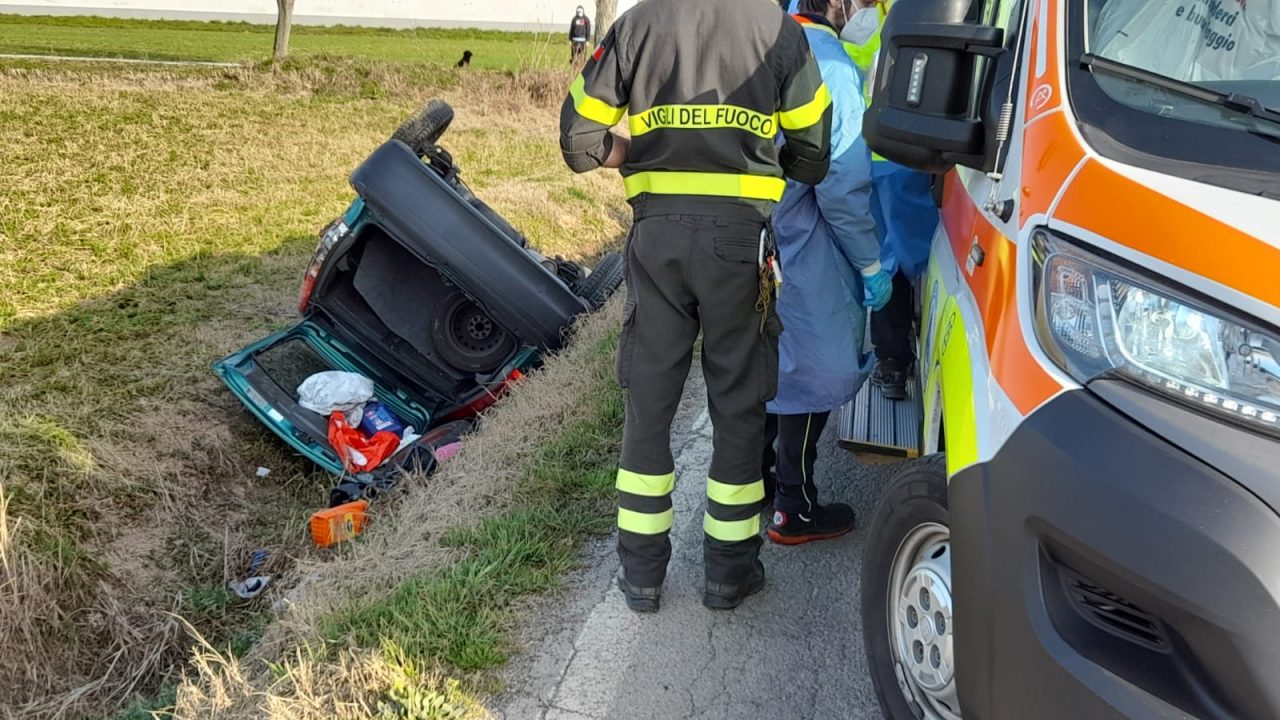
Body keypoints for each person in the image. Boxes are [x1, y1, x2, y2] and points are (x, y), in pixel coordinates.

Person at [559, 0, 832, 613]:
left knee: (650, 397)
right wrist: (760, 164)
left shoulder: (634, 25)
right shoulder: (781, 34)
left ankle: (641, 576)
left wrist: (637, 155)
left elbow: (578, 142)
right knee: (737, 401)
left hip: (655, 239)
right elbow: (815, 155)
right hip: (740, 245)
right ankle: (729, 574)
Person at [763, 0, 891, 544]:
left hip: (749, 235)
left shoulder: (761, 41)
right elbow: (840, 184)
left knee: (764, 364)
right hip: (804, 239)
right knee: (812, 371)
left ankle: (759, 483)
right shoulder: (831, 65)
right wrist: (870, 262)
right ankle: (796, 506)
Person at [841, 0, 940, 400]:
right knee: (923, 255)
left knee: (883, 262)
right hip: (915, 157)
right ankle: (913, 353)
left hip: (870, 156)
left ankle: (893, 363)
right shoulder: (926, 13)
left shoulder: (863, 21)